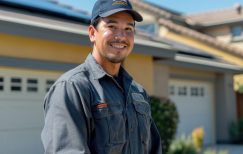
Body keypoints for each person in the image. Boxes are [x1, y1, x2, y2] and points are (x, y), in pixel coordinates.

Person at [41, 0, 162, 153]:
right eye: (112, 26)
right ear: (92, 33)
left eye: (128, 28)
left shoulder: (138, 92)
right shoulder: (72, 88)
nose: (121, 36)